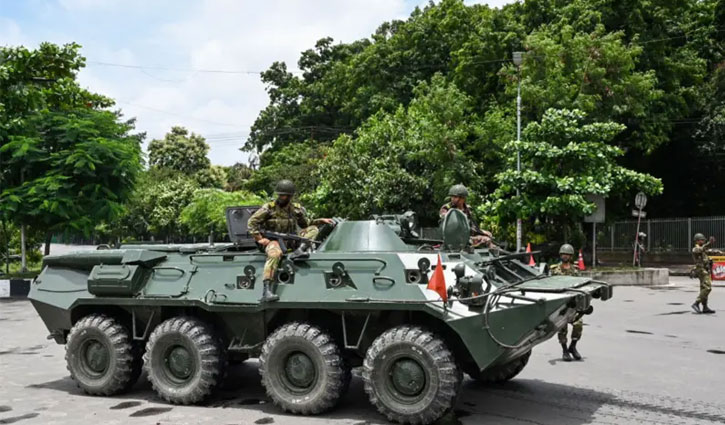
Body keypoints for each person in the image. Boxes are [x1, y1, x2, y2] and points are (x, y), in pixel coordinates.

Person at [247, 180, 335, 302]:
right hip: (273, 241)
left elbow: (306, 224)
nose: (284, 198)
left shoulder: (295, 209)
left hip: (290, 240)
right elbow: (252, 222)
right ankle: (267, 290)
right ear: (278, 195)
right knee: (274, 254)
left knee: (313, 229)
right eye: (282, 195)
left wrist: (321, 220)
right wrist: (259, 239)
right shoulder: (269, 208)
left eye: (287, 195)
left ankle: (299, 251)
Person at [550, 243, 583, 361]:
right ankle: (564, 350)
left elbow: (580, 285)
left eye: (567, 254)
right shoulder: (554, 270)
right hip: (561, 304)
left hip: (573, 303)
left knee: (578, 324)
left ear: (571, 256)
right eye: (563, 254)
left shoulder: (575, 270)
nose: (565, 256)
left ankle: (572, 347)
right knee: (562, 328)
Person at [691, 233, 722, 314]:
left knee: (703, 288)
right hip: (701, 270)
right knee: (707, 288)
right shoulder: (695, 249)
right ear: (697, 240)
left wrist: (721, 252)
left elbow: (712, 251)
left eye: (704, 240)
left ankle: (705, 307)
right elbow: (701, 249)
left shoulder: (704, 249)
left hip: (705, 270)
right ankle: (696, 303)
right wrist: (709, 243)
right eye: (702, 240)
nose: (703, 241)